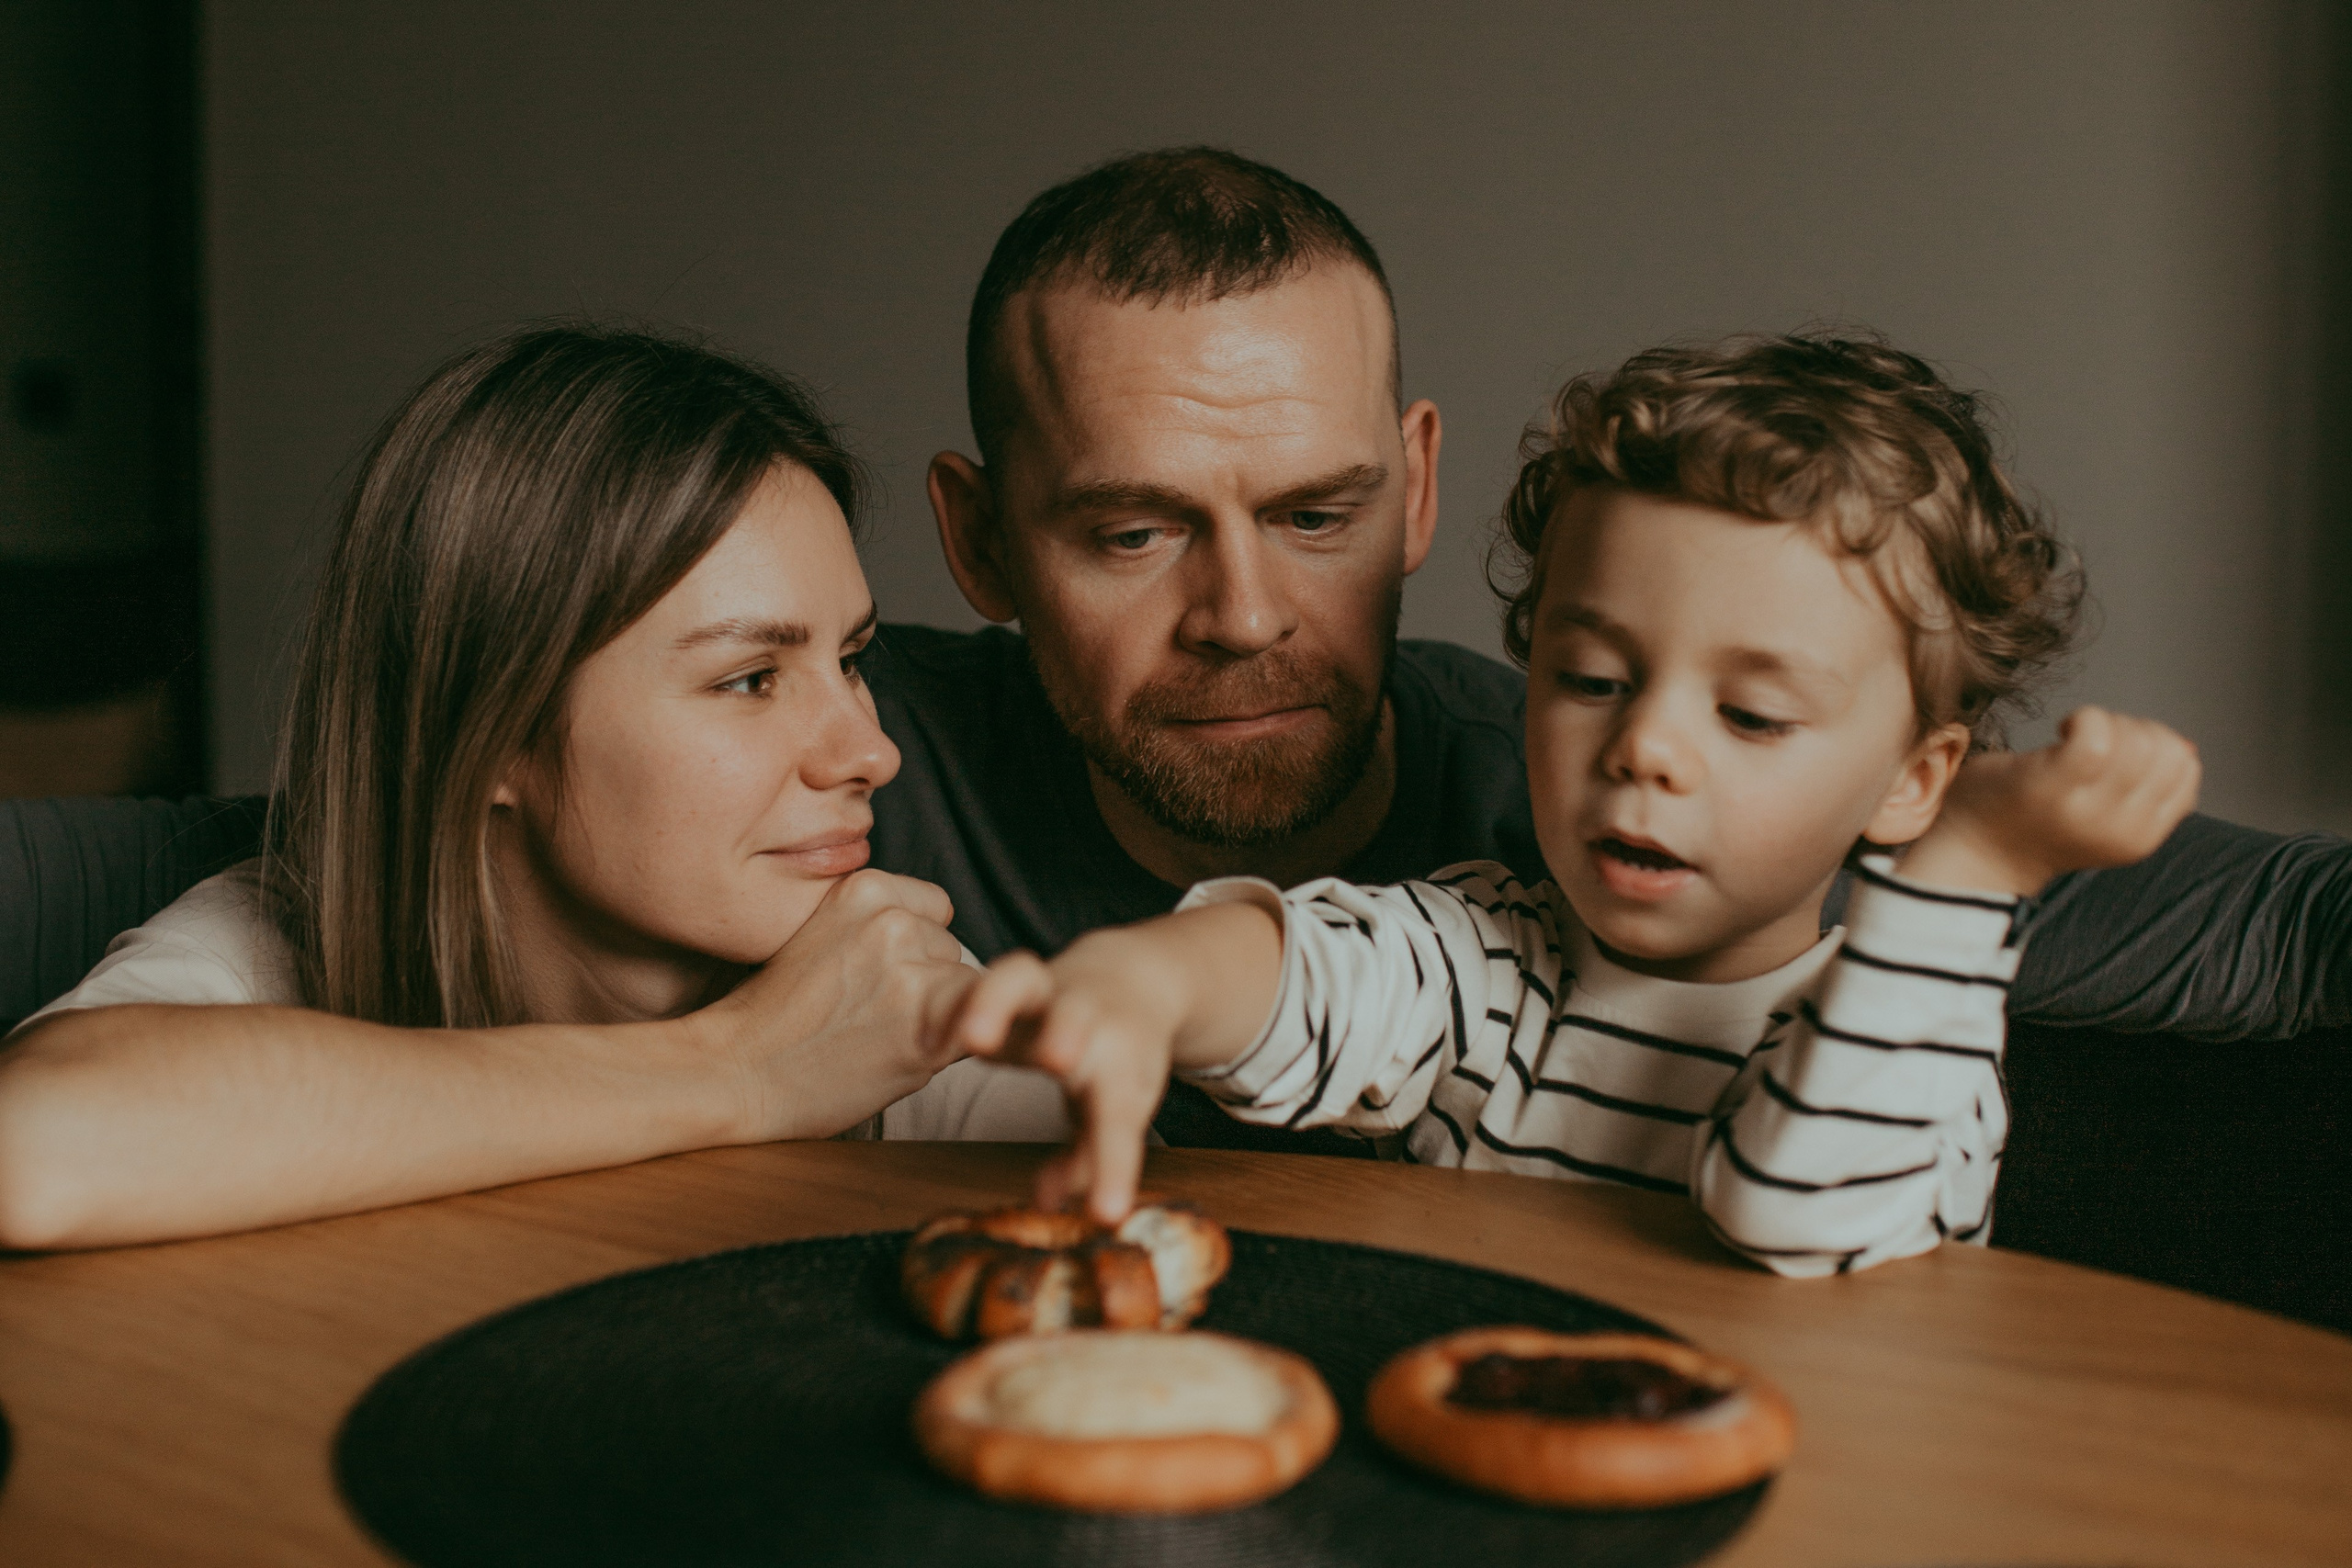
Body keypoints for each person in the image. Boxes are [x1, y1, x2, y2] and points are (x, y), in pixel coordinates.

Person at [865, 145, 2352, 1164]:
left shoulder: (1655, 814)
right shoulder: (841, 757)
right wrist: (754, 1064)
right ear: (981, 541)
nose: (1246, 614)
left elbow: (2297, 921)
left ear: (1417, 488)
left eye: (1319, 515)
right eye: (1133, 532)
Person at [938, 333, 2201, 1276]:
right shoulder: (1490, 968)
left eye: (1751, 714)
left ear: (1915, 780)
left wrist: (1961, 875)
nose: (1644, 748)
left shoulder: (1916, 1044)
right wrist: (1150, 983)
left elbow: (1789, 1212)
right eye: (1593, 680)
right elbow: (1306, 975)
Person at [0, 327, 1065, 1250]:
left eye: (852, 658)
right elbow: (35, 1147)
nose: (870, 751)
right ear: (495, 728)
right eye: (749, 679)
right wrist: (743, 1070)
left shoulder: (880, 992)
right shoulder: (275, 942)